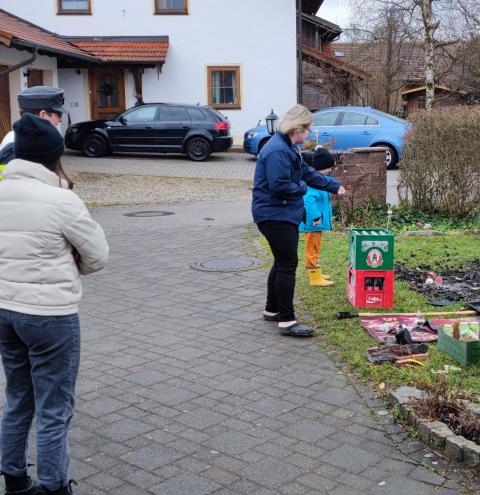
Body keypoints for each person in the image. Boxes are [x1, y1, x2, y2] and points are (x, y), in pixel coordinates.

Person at [0, 113, 109, 495]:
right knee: (54, 407)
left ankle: (14, 480)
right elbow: (97, 255)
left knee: (18, 398)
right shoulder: (61, 199)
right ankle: (53, 486)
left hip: (4, 311)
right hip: (50, 316)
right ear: (52, 157)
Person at [252, 104, 346, 337]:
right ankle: (287, 320)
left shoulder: (288, 147)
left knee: (280, 261)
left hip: (280, 213)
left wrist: (333, 185)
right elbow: (280, 186)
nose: (309, 135)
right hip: (275, 215)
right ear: (298, 128)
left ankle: (272, 310)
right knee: (287, 265)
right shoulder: (278, 151)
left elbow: (306, 172)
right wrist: (303, 189)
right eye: (307, 130)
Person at [299, 146, 340, 287]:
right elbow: (308, 201)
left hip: (316, 223)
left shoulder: (321, 180)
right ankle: (314, 278)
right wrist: (316, 217)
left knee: (316, 247)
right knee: (312, 248)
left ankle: (316, 272)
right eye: (328, 167)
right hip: (313, 223)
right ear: (320, 167)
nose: (330, 170)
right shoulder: (313, 184)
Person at [0, 86, 66, 167]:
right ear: (43, 114)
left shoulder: (21, 140)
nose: (60, 120)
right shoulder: (29, 148)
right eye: (59, 114)